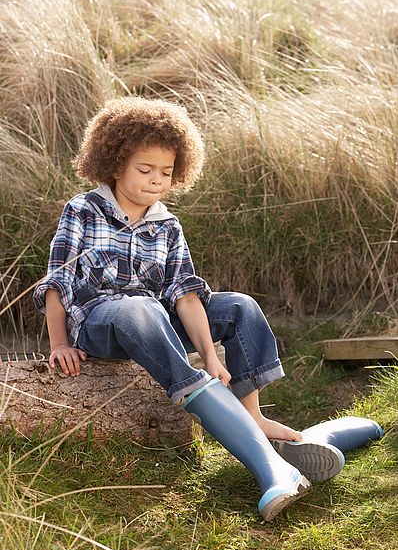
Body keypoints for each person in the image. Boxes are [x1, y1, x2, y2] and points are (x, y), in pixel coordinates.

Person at [33, 96, 343, 521]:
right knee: (138, 307)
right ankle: (263, 461)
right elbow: (57, 282)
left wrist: (212, 357)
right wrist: (59, 343)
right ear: (114, 164)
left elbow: (184, 294)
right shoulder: (83, 210)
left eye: (165, 172)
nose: (156, 180)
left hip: (159, 321)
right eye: (145, 170)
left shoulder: (167, 225)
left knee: (239, 307)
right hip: (102, 322)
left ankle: (252, 419)